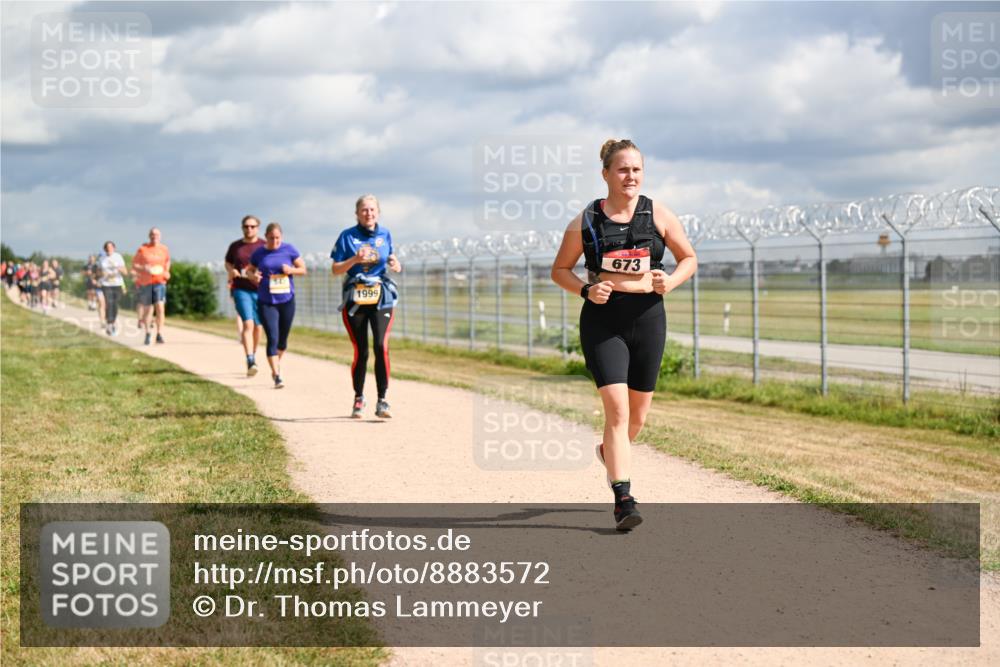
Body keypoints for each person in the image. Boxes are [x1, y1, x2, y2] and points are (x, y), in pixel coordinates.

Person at [550, 139, 697, 531]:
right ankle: (624, 500)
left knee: (637, 418)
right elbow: (560, 269)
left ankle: (608, 452)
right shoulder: (586, 221)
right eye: (622, 169)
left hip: (648, 318)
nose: (630, 176)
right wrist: (585, 289)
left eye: (636, 169)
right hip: (603, 321)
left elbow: (689, 258)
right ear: (606, 175)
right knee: (616, 411)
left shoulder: (658, 214)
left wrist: (671, 281)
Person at [331, 194, 402, 419]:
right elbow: (335, 269)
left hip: (381, 297)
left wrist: (395, 263)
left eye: (372, 210)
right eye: (364, 210)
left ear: (378, 212)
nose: (368, 213)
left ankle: (383, 400)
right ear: (357, 214)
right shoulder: (347, 236)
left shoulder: (385, 234)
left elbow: (390, 257)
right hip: (356, 298)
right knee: (361, 351)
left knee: (381, 345)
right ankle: (359, 398)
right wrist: (354, 259)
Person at [248, 223, 306, 388]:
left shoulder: (289, 249)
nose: (275, 241)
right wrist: (254, 276)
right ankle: (277, 375)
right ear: (265, 237)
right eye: (272, 238)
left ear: (282, 237)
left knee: (282, 341)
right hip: (267, 301)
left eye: (278, 238)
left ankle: (275, 365)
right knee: (272, 337)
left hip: (287, 300)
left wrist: (291, 270)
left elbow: (303, 269)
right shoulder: (259, 252)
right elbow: (249, 270)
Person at [225, 215, 266, 375]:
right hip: (241, 289)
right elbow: (228, 262)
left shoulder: (263, 245)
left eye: (252, 226)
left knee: (258, 326)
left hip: (260, 290)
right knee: (248, 324)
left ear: (257, 228)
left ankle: (253, 353)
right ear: (242, 228)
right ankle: (250, 359)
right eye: (246, 226)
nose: (249, 229)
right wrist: (231, 271)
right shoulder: (236, 246)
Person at [133, 227, 171, 345]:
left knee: (160, 307)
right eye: (152, 235)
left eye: (157, 235)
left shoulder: (164, 249)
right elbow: (135, 265)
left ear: (160, 236)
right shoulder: (143, 249)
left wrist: (166, 271)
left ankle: (159, 334)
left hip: (159, 282)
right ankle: (148, 333)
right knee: (148, 309)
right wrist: (144, 268)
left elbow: (167, 261)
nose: (155, 237)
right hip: (146, 282)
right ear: (149, 236)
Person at [97, 241, 128, 336]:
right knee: (108, 303)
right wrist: (102, 273)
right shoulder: (102, 258)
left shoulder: (118, 257)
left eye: (110, 247)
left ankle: (113, 322)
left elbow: (125, 272)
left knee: (115, 304)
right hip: (106, 284)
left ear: (114, 248)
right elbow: (98, 273)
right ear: (105, 249)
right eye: (107, 247)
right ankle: (109, 324)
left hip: (117, 283)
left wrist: (119, 269)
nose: (109, 249)